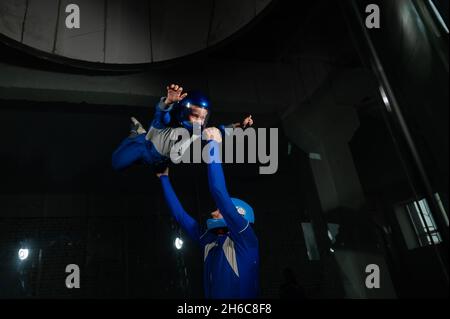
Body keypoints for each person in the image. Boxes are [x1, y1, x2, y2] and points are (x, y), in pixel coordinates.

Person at [157, 128, 259, 299]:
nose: (213, 212)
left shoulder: (246, 239)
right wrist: (163, 177)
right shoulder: (209, 240)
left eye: (219, 210)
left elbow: (218, 191)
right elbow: (180, 216)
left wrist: (213, 144)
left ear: (238, 215)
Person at [112, 84, 253, 172]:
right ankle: (137, 134)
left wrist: (241, 124)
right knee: (117, 164)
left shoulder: (197, 131)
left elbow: (220, 130)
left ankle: (142, 135)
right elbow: (161, 114)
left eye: (203, 117)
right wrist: (167, 102)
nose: (199, 121)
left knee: (156, 167)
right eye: (195, 116)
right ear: (184, 113)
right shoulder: (169, 122)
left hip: (161, 159)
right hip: (144, 148)